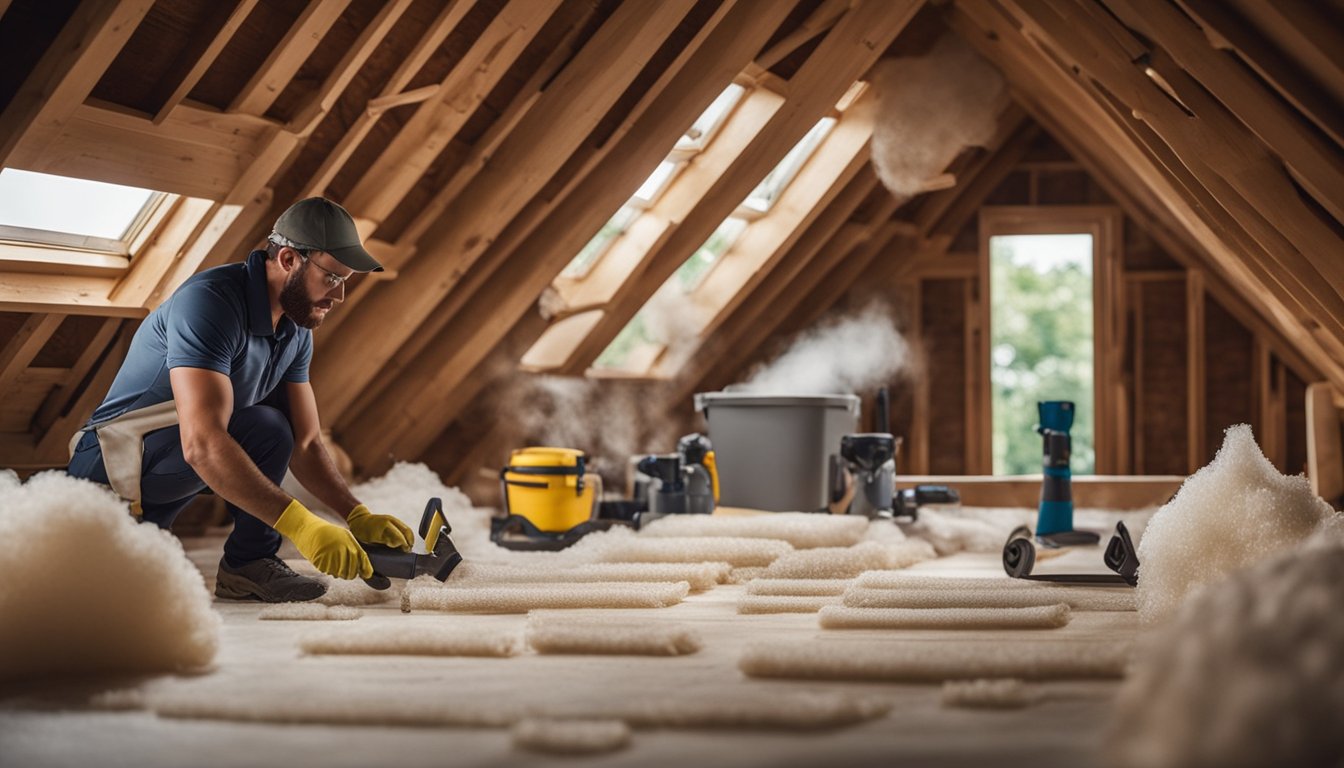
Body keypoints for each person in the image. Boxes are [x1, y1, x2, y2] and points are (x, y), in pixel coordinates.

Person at [67, 197, 414, 602]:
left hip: (168, 466)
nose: (338, 297)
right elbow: (202, 444)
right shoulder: (210, 303)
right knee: (90, 599)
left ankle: (247, 565)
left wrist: (356, 514)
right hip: (114, 468)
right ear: (288, 259)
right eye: (333, 279)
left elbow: (305, 442)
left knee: (271, 427)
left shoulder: (295, 328)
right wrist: (302, 526)